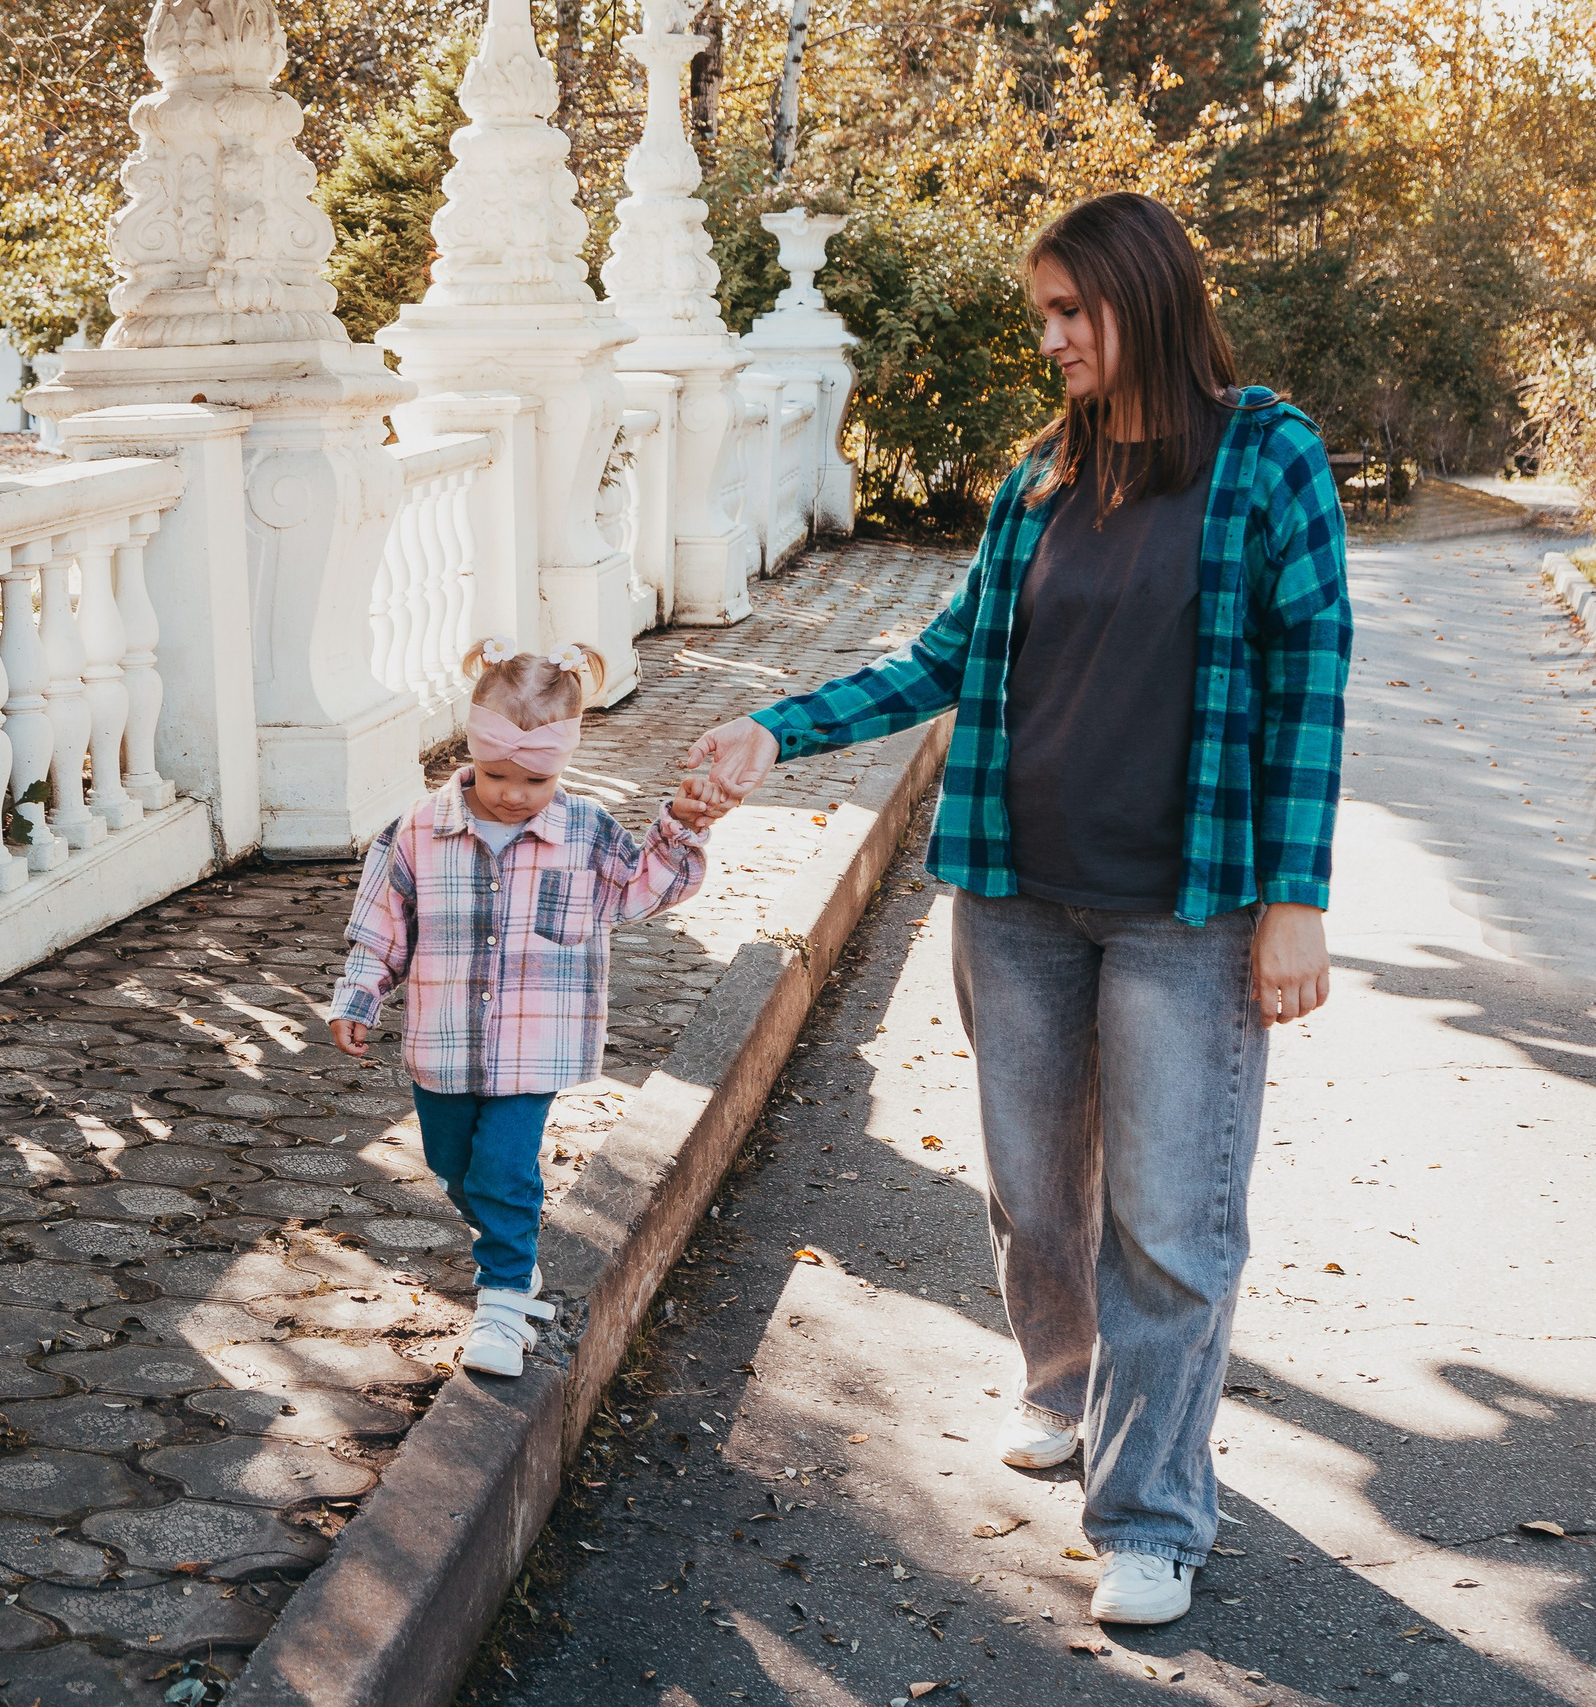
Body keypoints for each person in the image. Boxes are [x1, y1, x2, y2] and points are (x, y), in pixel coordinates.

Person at [686, 191, 1351, 1626]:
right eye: (1041, 313)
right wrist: (775, 729)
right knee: (1036, 1193)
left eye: (1074, 312)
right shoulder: (1034, 482)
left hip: (1189, 908)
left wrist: (1295, 897)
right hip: (1017, 895)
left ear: (1148, 301)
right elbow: (942, 659)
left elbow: (1312, 681)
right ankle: (1060, 1381)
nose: (1051, 337)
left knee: (1171, 1222)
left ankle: (1153, 1515)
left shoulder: (1266, 457)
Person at [329, 638, 728, 1376]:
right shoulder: (418, 829)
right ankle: (511, 1253)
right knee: (454, 1166)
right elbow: (381, 921)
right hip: (442, 1040)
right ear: (472, 750)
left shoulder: (586, 831)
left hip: (531, 1044)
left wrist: (679, 823)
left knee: (504, 1167)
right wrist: (359, 996)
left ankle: (504, 1298)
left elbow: (645, 890)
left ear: (564, 763)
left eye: (536, 778)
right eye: (497, 773)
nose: (514, 792)